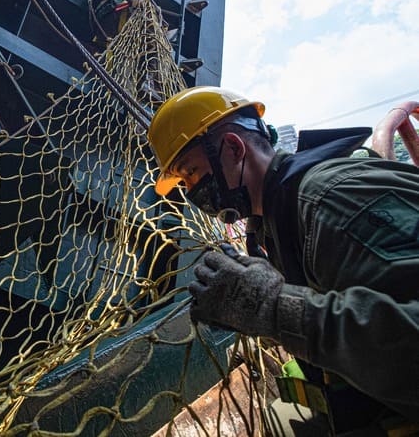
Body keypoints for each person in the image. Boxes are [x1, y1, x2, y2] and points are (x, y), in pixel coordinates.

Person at [146, 86, 419, 435]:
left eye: (192, 173)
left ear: (233, 148)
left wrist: (276, 311)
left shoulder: (331, 200)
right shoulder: (272, 226)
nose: (192, 192)